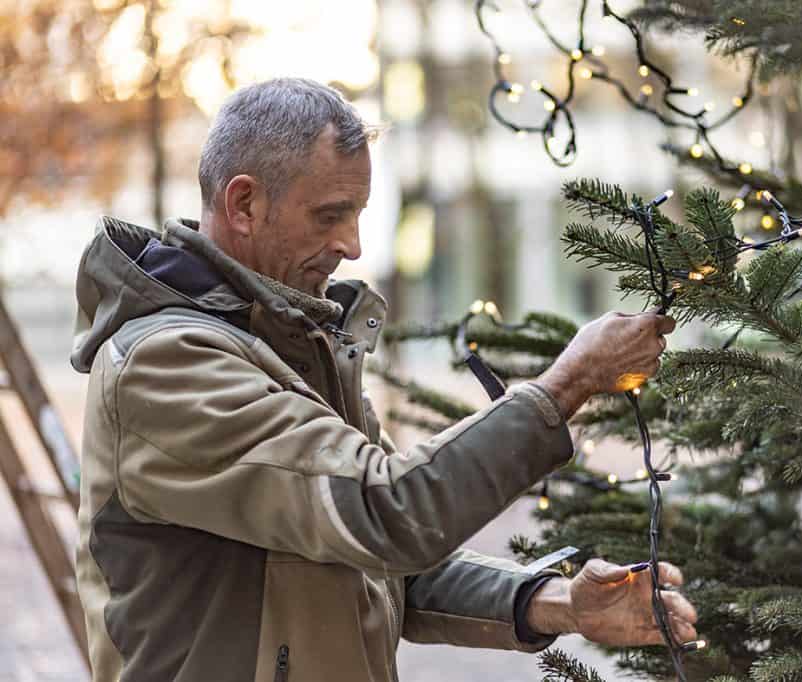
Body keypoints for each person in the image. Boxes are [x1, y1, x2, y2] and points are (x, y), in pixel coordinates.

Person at [70, 77, 697, 681]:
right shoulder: (166, 364)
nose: (353, 244)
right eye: (330, 215)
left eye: (359, 213)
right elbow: (387, 513)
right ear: (244, 204)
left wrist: (560, 604)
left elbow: (383, 562)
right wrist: (569, 381)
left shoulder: (290, 346)